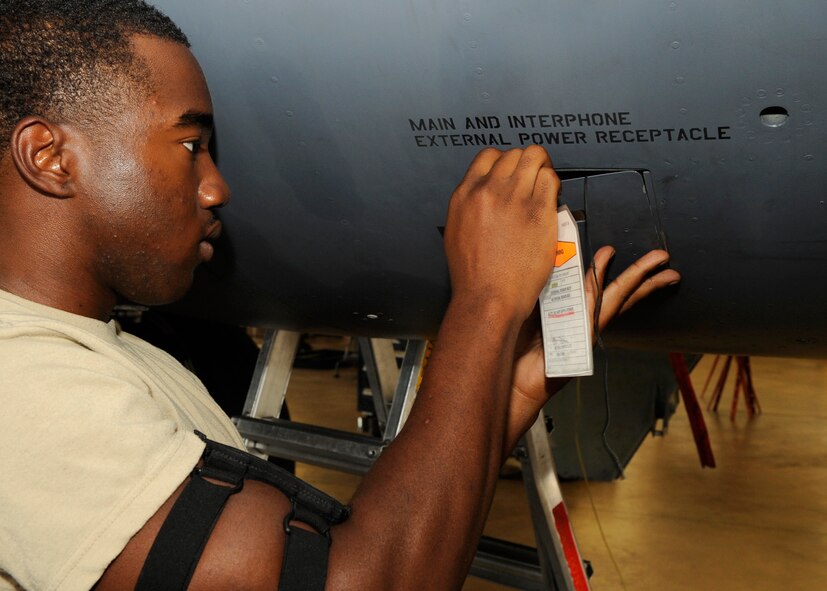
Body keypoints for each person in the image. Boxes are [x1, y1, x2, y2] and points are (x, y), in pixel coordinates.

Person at [0, 1, 681, 589]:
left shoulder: (111, 357)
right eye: (190, 145)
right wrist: (483, 304)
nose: (216, 188)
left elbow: (334, 548)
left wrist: (511, 394)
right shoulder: (23, 388)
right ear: (50, 157)